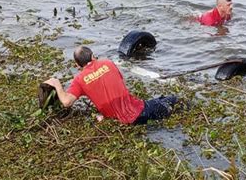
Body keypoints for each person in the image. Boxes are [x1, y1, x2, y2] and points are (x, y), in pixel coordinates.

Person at [43, 46, 177, 125]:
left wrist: (57, 84)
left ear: (77, 65)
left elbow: (66, 102)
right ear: (93, 56)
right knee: (174, 100)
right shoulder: (108, 63)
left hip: (119, 119)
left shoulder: (79, 79)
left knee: (160, 100)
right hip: (139, 112)